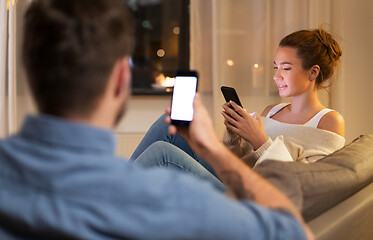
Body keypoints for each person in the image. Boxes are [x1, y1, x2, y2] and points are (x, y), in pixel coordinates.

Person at [0, 0, 312, 239]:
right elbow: (293, 231)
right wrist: (213, 150)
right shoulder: (167, 198)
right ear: (123, 78)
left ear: (29, 69)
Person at [131, 28, 346, 191]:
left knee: (163, 152)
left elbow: (304, 188)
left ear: (313, 72)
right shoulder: (272, 111)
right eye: (275, 67)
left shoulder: (328, 121)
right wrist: (235, 136)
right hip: (231, 175)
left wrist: (260, 140)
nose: (276, 75)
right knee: (169, 124)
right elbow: (238, 159)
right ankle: (109, 194)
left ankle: (107, 200)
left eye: (286, 68)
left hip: (248, 195)